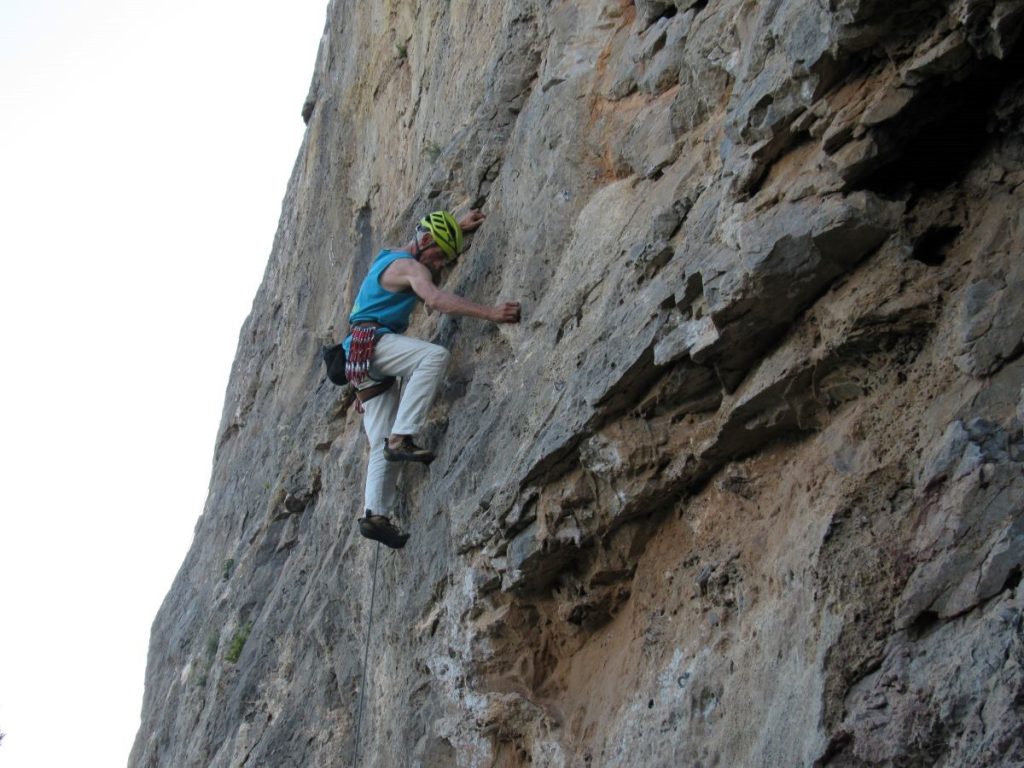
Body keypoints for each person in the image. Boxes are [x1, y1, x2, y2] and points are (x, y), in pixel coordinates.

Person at [342, 209, 521, 549]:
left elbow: (428, 238)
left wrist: (457, 228)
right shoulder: (411, 267)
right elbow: (436, 299)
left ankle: (374, 515)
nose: (440, 266)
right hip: (374, 345)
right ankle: (401, 439)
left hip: (360, 358)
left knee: (379, 439)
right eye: (440, 257)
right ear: (425, 244)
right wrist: (491, 313)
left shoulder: (393, 258)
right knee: (433, 356)